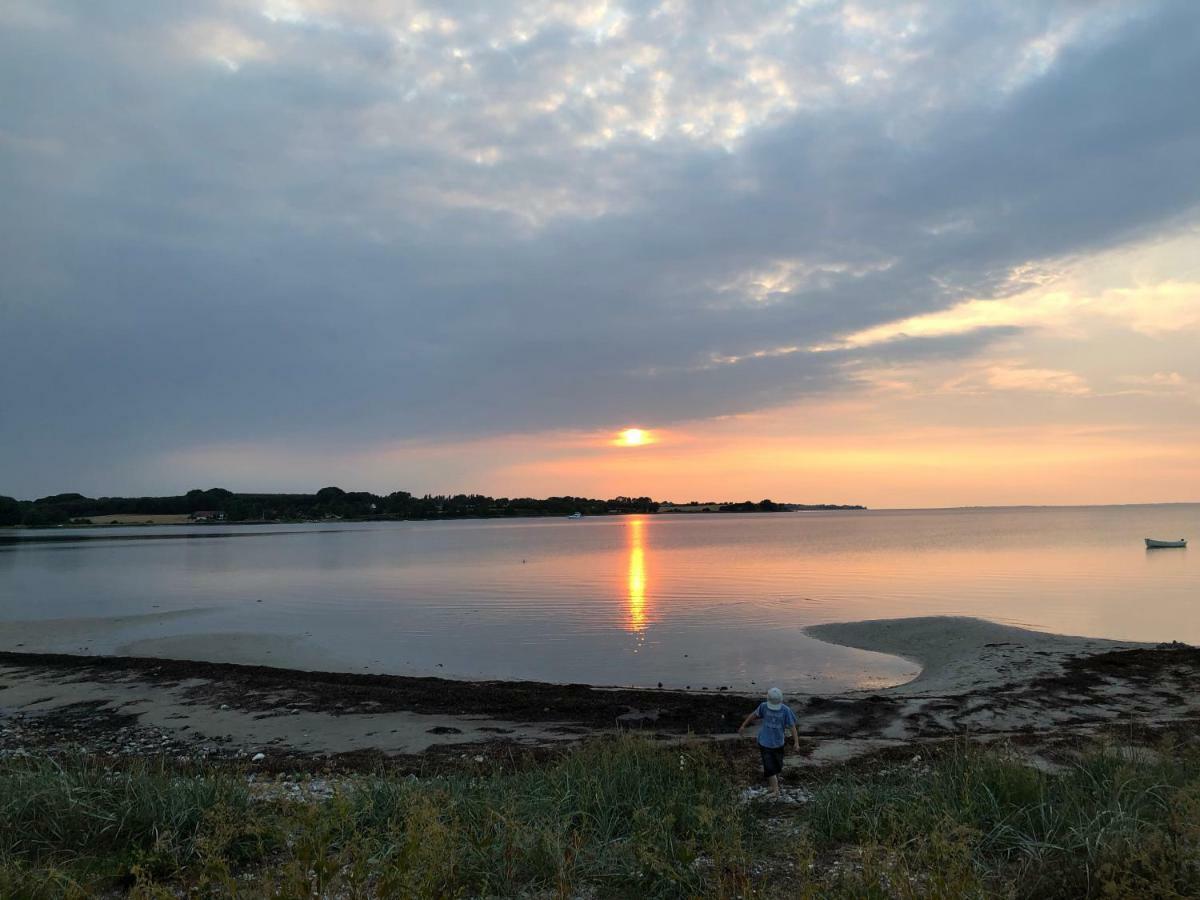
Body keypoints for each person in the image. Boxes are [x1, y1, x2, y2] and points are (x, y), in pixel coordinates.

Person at [738, 686, 800, 796]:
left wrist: (796, 742)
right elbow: (754, 715)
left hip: (778, 744)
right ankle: (776, 790)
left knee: (777, 767)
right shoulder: (764, 707)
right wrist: (743, 725)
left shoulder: (786, 710)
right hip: (764, 742)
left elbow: (792, 726)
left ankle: (773, 786)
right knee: (769, 767)